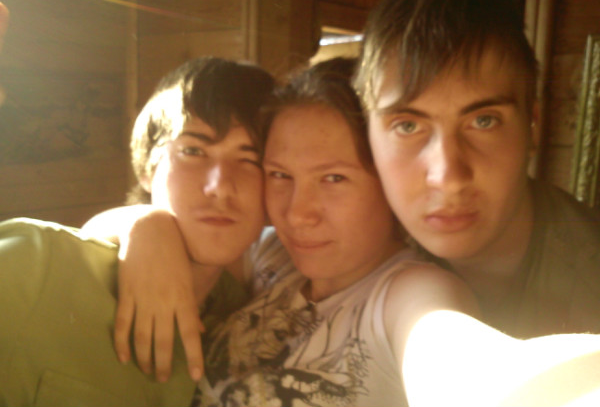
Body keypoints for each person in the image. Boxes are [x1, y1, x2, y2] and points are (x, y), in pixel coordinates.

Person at [99, 57, 479, 406]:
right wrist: (145, 226)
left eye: (333, 178)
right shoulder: (273, 255)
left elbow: (460, 361)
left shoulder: (410, 294)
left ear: (389, 179)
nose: (297, 215)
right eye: (280, 175)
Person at [0, 53, 274, 406]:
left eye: (249, 159)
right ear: (147, 169)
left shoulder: (245, 315)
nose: (220, 186)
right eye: (193, 150)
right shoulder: (33, 268)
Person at [354, 0, 600, 339]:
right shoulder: (348, 249)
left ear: (533, 126)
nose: (448, 178)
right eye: (407, 126)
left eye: (483, 121)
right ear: (368, 135)